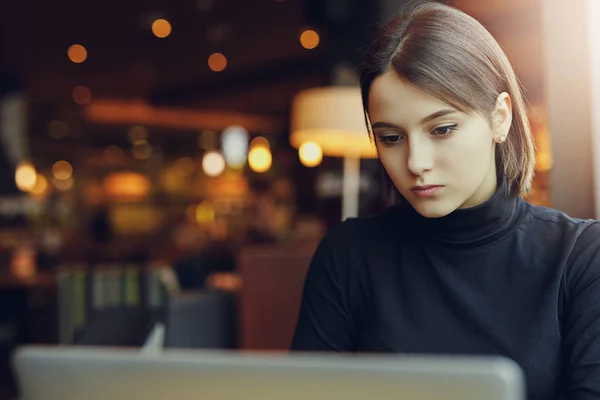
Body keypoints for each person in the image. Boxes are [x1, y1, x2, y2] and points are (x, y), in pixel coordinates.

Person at [290, 2, 600, 399]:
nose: (416, 163)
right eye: (391, 138)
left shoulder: (578, 258)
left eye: (442, 129)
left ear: (500, 117)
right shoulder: (348, 256)